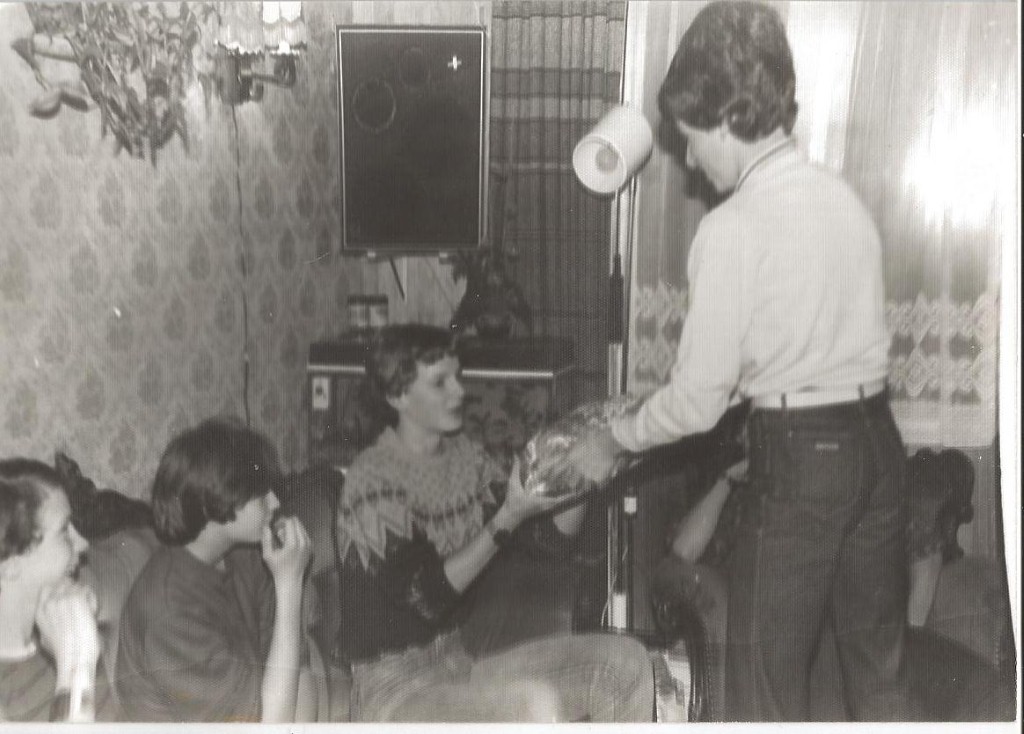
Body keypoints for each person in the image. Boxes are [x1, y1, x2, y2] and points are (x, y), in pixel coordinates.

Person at [573, 0, 911, 721]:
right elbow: (788, 350)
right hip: (878, 447)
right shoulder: (841, 200)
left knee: (762, 691)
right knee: (878, 674)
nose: (691, 160)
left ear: (727, 119)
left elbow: (700, 403)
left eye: (692, 139)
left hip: (802, 460)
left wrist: (615, 440)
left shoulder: (733, 227)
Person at [336, 324, 654, 722]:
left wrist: (585, 479)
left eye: (458, 376)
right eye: (440, 382)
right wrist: (508, 516)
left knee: (623, 665)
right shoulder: (370, 481)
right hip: (392, 694)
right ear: (398, 396)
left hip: (457, 664)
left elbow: (551, 542)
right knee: (535, 705)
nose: (459, 391)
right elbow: (427, 596)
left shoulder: (465, 459)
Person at [116, 418, 314, 722]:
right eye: (261, 495)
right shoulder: (169, 612)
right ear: (216, 504)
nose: (275, 502)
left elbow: (297, 670)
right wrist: (290, 584)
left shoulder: (248, 556)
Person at [0, 458, 115, 722]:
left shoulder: (55, 637)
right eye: (64, 531)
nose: (83, 543)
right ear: (10, 564)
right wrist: (76, 665)